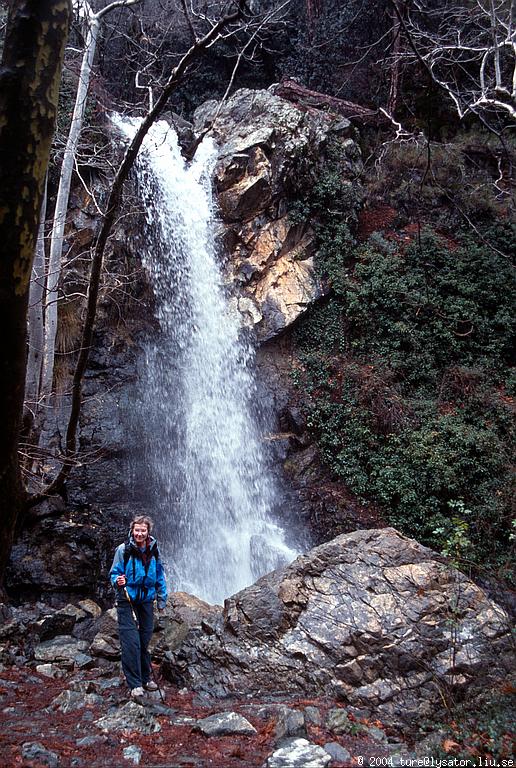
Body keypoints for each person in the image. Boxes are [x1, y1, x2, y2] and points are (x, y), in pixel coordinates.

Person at [109, 515, 168, 698]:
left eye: (143, 530)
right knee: (131, 643)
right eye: (137, 530)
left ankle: (145, 678)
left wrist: (162, 597)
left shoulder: (153, 549)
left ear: (148, 531)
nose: (139, 534)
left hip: (146, 600)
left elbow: (159, 574)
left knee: (144, 640)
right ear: (132, 531)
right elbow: (114, 573)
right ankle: (134, 683)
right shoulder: (123, 550)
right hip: (126, 599)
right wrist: (117, 581)